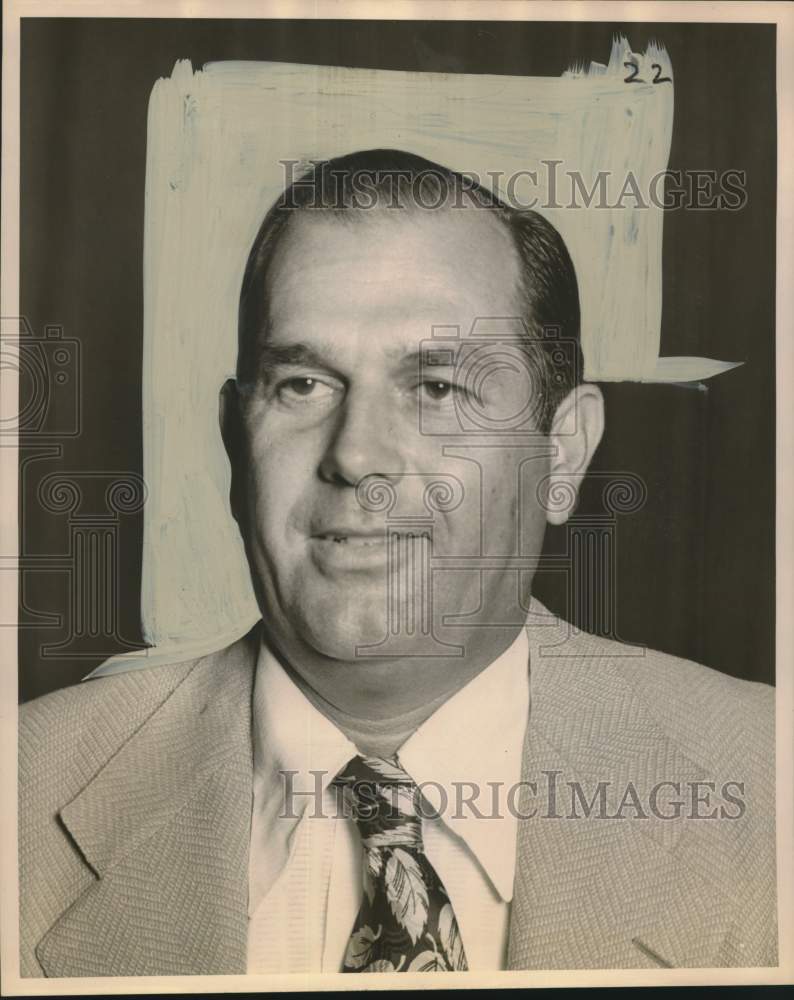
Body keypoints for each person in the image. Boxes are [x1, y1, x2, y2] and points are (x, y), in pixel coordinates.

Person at [18, 150, 776, 977]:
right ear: (238, 442)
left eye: (437, 389)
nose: (357, 457)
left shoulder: (772, 787)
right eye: (305, 383)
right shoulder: (18, 799)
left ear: (561, 454)